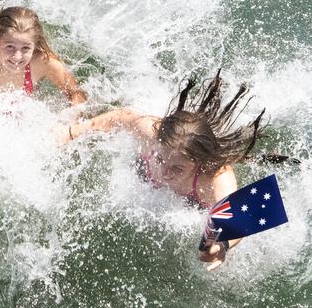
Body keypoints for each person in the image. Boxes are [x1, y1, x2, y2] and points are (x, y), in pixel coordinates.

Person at [62, 70, 265, 270]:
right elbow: (121, 117)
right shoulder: (150, 133)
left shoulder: (214, 176)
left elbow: (241, 214)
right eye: (160, 159)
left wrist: (222, 245)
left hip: (191, 200)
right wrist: (73, 133)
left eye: (177, 168)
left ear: (197, 164)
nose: (165, 172)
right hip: (142, 171)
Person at [0, 1, 87, 105]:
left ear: (34, 45)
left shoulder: (42, 62)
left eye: (26, 48)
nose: (17, 57)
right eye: (10, 47)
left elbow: (77, 93)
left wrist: (70, 124)